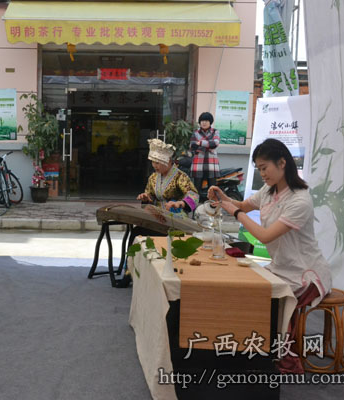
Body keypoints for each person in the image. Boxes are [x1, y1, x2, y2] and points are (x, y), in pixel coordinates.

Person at [208, 138, 331, 373]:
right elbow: (243, 205)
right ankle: (254, 349)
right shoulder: (268, 190)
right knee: (250, 289)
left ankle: (280, 356)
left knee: (274, 300)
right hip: (281, 266)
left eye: (265, 168)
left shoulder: (299, 200)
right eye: (259, 169)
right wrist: (224, 199)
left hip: (305, 273)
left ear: (282, 163)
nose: (262, 174)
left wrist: (236, 212)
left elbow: (264, 236)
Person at [115, 139, 199, 288]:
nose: (155, 166)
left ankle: (161, 273)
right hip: (157, 217)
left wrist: (180, 203)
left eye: (158, 162)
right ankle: (129, 272)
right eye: (153, 162)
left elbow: (193, 194)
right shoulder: (154, 177)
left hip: (175, 219)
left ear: (168, 161)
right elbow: (150, 194)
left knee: (152, 235)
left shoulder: (180, 177)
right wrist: (146, 197)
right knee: (136, 233)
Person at [190, 112, 220, 197]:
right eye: (202, 121)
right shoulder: (195, 132)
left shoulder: (215, 132)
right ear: (200, 122)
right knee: (196, 188)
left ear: (210, 122)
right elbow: (192, 146)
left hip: (211, 163)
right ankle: (195, 204)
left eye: (206, 121)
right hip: (198, 163)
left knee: (212, 189)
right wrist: (209, 146)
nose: (204, 123)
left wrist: (200, 143)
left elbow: (215, 143)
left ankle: (212, 204)